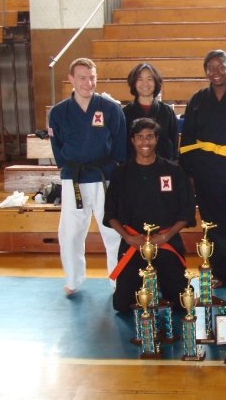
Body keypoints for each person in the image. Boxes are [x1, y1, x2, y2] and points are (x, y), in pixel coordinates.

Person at [48, 57, 126, 296]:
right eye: (82, 77)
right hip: (74, 177)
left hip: (105, 178)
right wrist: (69, 168)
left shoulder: (110, 108)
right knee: (71, 232)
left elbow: (120, 144)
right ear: (71, 79)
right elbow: (57, 145)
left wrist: (115, 169)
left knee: (113, 231)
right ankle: (73, 279)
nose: (87, 82)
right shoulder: (59, 112)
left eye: (92, 77)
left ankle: (117, 279)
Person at [180, 50, 226, 287]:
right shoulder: (198, 99)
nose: (216, 72)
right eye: (210, 68)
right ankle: (222, 274)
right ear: (205, 71)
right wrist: (189, 173)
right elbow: (188, 139)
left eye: (220, 66)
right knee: (214, 225)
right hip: (206, 171)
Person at [105, 118, 194, 312]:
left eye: (150, 137)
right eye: (140, 137)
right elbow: (110, 214)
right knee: (122, 305)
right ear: (133, 140)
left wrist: (164, 236)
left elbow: (186, 213)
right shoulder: (121, 174)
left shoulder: (173, 171)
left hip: (166, 242)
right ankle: (145, 285)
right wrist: (128, 237)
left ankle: (164, 284)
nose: (145, 142)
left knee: (182, 304)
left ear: (157, 139)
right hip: (134, 243)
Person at [123, 63, 179, 161]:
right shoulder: (125, 112)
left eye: (149, 79)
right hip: (133, 168)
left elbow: (173, 143)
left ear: (156, 82)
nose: (145, 83)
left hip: (163, 167)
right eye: (140, 79)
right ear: (134, 83)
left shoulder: (167, 111)